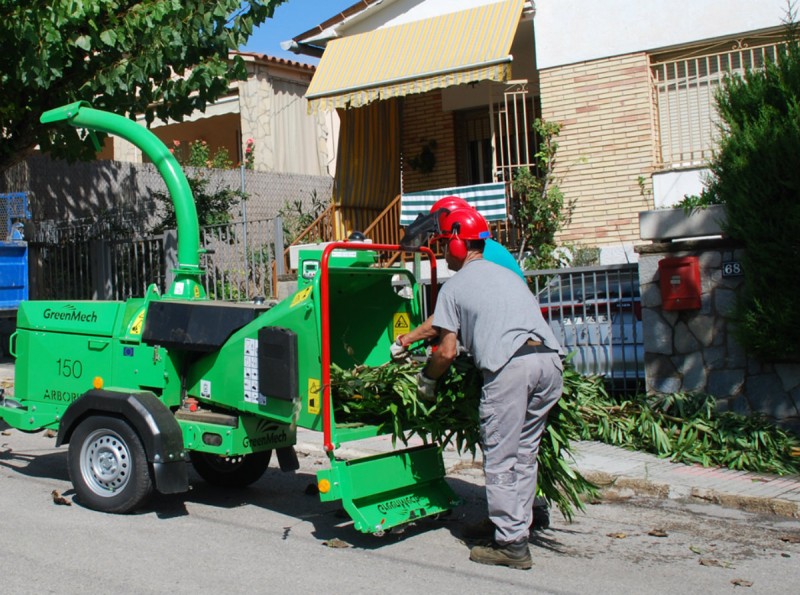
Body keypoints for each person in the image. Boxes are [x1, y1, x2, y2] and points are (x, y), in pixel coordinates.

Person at [414, 207, 564, 570]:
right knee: (525, 453)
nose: (445, 252)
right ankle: (513, 523)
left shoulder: (455, 286)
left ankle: (511, 545)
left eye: (447, 244)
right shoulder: (506, 275)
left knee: (499, 457)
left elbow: (446, 351)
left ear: (459, 246)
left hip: (512, 369)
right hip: (550, 362)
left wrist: (427, 380)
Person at [390, 195, 524, 354]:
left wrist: (405, 340)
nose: (444, 250)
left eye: (444, 243)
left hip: (510, 346)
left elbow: (443, 319)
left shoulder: (483, 257)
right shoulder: (488, 249)